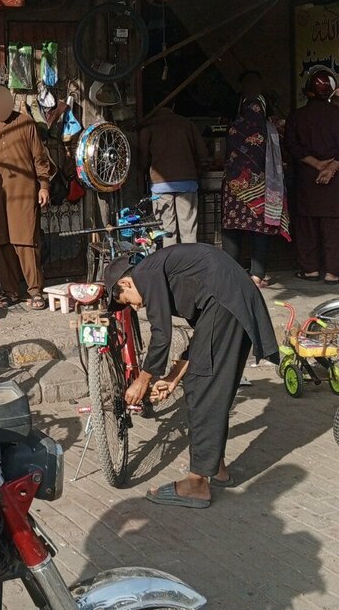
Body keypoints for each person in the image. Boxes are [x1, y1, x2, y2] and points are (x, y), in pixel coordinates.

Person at [104, 245, 278, 508]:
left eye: (128, 301)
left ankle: (196, 483)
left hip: (227, 302)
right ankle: (215, 466)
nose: (136, 307)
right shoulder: (166, 275)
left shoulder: (145, 272)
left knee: (201, 387)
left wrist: (144, 378)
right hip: (230, 301)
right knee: (215, 385)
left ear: (126, 282)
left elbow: (162, 333)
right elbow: (200, 338)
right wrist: (173, 378)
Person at [0, 84, 50, 310]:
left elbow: (39, 159)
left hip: (25, 193)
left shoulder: (26, 123)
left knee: (26, 241)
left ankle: (35, 291)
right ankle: (10, 291)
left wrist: (43, 186)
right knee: (2, 243)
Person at [221, 86, 290, 287]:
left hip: (234, 189)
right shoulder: (269, 129)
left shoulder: (233, 127)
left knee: (232, 230)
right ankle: (257, 276)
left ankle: (231, 276)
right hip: (261, 187)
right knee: (260, 230)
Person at [285, 67, 339, 283]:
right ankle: (333, 272)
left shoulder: (297, 117)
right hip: (335, 181)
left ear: (307, 92)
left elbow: (291, 145)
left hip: (307, 180)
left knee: (306, 225)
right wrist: (332, 166)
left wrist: (316, 164)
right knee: (333, 227)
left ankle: (310, 270)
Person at [138, 101, 208, 244]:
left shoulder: (149, 127)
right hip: (187, 182)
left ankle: (171, 265)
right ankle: (189, 265)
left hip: (160, 185)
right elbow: (203, 154)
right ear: (174, 106)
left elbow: (143, 160)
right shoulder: (187, 124)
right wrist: (198, 169)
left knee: (167, 233)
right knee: (188, 232)